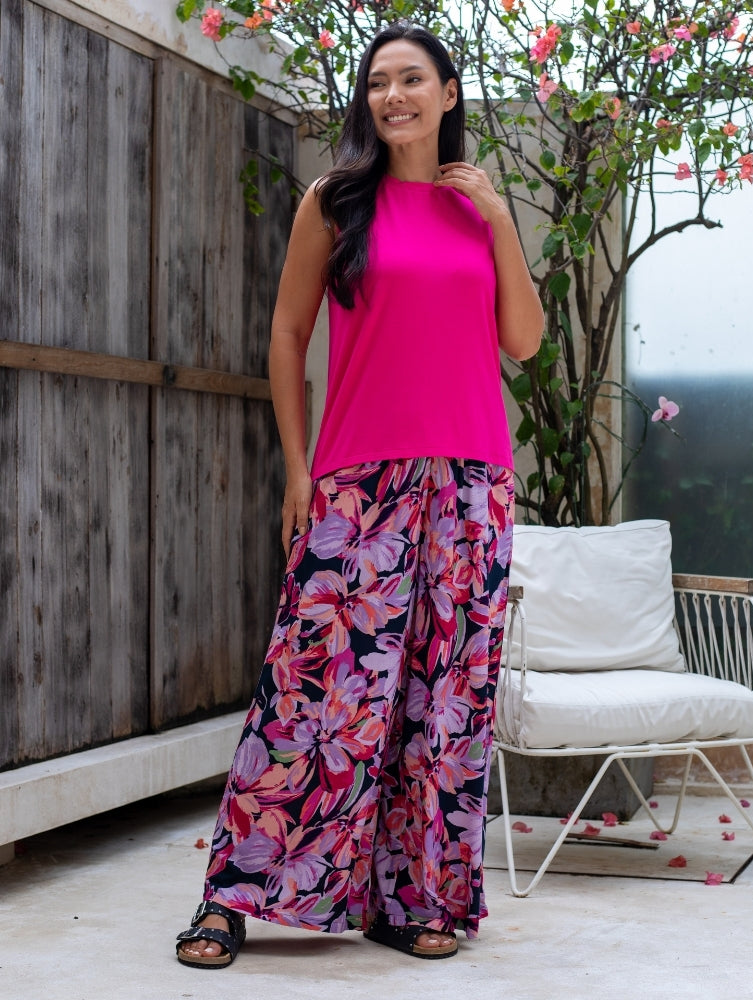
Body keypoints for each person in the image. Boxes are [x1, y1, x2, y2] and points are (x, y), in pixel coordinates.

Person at [176, 19, 544, 968]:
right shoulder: (335, 202)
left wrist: (502, 221)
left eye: (413, 80)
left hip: (470, 485)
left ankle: (418, 897)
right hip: (358, 482)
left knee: (445, 699)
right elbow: (288, 336)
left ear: (449, 96)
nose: (393, 98)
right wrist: (301, 468)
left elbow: (526, 339)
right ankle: (232, 894)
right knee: (315, 694)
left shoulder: (477, 212)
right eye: (378, 83)